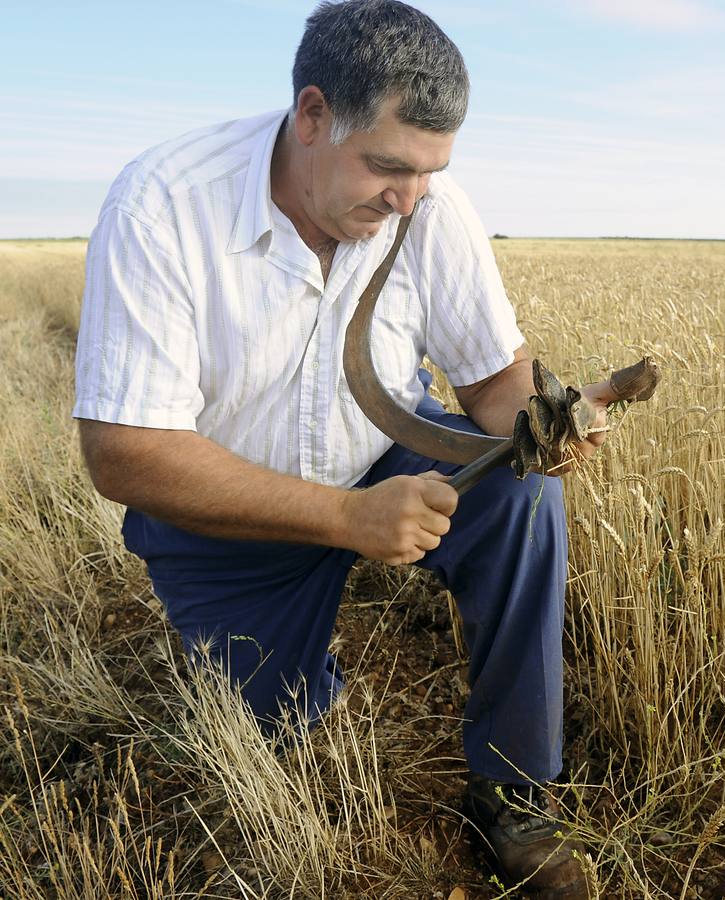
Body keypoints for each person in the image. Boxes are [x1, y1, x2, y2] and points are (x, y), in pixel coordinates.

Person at [72, 1, 599, 895]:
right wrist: (346, 521)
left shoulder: (429, 204)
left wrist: (543, 424)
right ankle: (306, 676)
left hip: (382, 458)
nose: (408, 199)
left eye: (429, 173)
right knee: (268, 741)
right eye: (387, 167)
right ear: (311, 115)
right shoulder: (163, 203)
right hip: (230, 520)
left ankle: (513, 786)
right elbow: (124, 451)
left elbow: (492, 382)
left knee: (521, 498)